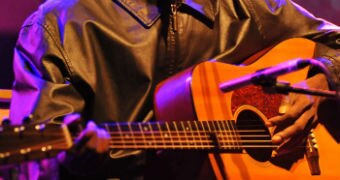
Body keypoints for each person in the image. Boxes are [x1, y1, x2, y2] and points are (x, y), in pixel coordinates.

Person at [7, 0, 340, 179]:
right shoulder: (59, 25)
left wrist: (321, 80)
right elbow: (35, 167)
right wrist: (76, 162)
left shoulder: (245, 7)